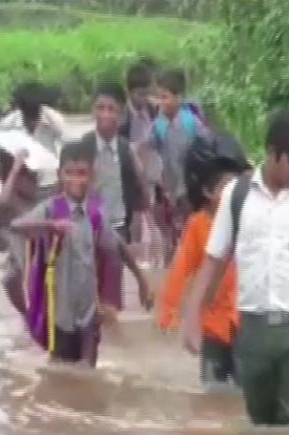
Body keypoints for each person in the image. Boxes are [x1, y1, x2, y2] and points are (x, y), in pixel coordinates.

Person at [181, 109, 289, 427]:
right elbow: (213, 260)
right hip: (253, 332)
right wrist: (193, 316)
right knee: (260, 424)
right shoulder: (236, 197)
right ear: (274, 154)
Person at [11, 141, 154, 368]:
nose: (76, 180)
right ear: (60, 175)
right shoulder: (51, 208)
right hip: (60, 314)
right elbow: (16, 226)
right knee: (60, 370)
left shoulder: (95, 213)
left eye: (82, 174)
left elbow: (118, 245)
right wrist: (49, 225)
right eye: (69, 173)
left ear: (92, 176)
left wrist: (142, 280)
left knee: (88, 373)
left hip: (89, 312)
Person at [158, 132, 249, 388]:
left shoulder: (250, 220)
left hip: (245, 322)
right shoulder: (198, 225)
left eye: (238, 183)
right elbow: (180, 269)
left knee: (245, 390)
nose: (235, 191)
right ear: (207, 191)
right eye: (227, 185)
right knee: (214, 391)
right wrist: (170, 313)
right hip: (213, 326)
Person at [79, 80, 147, 313]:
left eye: (112, 109)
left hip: (118, 228)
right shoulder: (82, 148)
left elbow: (138, 192)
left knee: (111, 305)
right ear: (92, 111)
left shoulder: (126, 150)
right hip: (86, 232)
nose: (105, 115)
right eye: (100, 108)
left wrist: (139, 223)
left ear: (121, 114)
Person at [151, 67, 209, 263]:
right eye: (159, 97)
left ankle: (193, 258)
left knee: (190, 221)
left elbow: (205, 145)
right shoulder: (158, 124)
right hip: (171, 184)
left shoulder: (190, 122)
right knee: (178, 223)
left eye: (165, 97)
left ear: (178, 97)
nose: (161, 102)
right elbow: (152, 149)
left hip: (191, 184)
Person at [120, 59, 164, 267]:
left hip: (150, 168)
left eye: (146, 93)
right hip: (130, 168)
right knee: (135, 214)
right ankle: (135, 255)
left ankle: (154, 255)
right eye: (139, 94)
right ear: (129, 93)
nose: (143, 98)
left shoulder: (153, 109)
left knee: (152, 210)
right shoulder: (123, 115)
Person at [0, 147, 40, 316]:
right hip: (19, 255)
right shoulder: (11, 199)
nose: (31, 181)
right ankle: (28, 317)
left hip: (38, 253)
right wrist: (16, 168)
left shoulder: (42, 196)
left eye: (32, 176)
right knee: (9, 280)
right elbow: (4, 200)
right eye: (24, 177)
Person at [0, 80, 66, 156]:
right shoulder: (9, 123)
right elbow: (4, 155)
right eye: (27, 105)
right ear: (20, 105)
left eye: (35, 105)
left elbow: (66, 146)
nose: (31, 108)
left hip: (48, 165)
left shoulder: (54, 119)